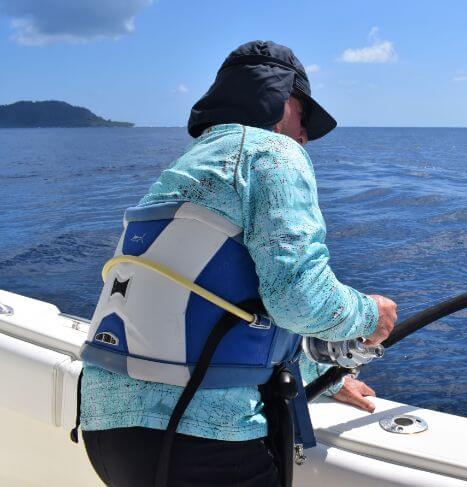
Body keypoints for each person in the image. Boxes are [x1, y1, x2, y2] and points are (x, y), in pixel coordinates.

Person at [77, 40, 397, 487]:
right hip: (198, 439)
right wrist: (369, 314)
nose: (304, 137)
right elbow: (297, 300)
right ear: (284, 102)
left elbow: (212, 304)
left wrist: (322, 373)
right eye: (305, 121)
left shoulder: (188, 167)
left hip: (106, 429)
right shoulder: (273, 152)